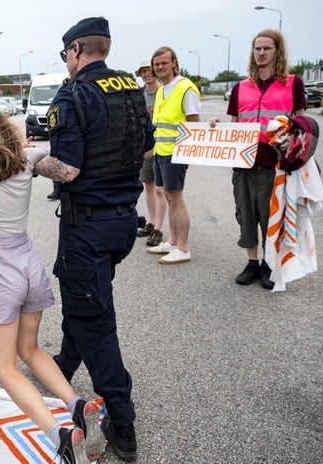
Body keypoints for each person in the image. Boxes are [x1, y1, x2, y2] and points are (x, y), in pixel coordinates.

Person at [33, 17, 155, 462]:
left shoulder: (74, 94)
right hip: (122, 222)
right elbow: (146, 148)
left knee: (96, 323)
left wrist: (33, 162)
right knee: (88, 302)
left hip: (87, 229)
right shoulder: (131, 89)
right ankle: (63, 366)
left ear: (78, 50)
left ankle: (122, 425)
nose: (66, 62)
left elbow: (67, 168)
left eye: (66, 54)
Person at [0, 106, 104, 464]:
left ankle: (61, 434)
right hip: (29, 264)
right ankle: (77, 405)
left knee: (5, 368)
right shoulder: (29, 156)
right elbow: (68, 172)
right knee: (31, 349)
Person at [209, 29, 306, 289]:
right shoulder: (240, 87)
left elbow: (302, 124)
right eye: (257, 48)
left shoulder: (292, 83)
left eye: (267, 48)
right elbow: (235, 125)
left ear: (278, 52)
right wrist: (216, 127)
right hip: (243, 164)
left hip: (273, 164)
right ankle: (252, 262)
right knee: (246, 216)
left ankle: (269, 264)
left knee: (270, 217)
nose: (261, 53)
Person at [146, 46, 200, 264]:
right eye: (156, 64)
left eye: (164, 63)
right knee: (168, 197)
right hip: (161, 152)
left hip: (176, 152)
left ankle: (183, 248)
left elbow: (195, 123)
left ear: (174, 63)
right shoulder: (161, 90)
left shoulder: (186, 88)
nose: (159, 67)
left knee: (176, 199)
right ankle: (172, 241)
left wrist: (188, 152)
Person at [134, 58, 165, 247]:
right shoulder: (139, 94)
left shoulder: (164, 91)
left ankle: (159, 228)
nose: (146, 74)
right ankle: (152, 222)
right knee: (149, 185)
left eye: (148, 70)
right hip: (146, 146)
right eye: (142, 71)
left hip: (163, 145)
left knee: (163, 189)